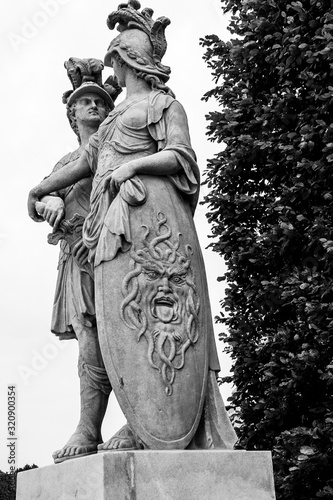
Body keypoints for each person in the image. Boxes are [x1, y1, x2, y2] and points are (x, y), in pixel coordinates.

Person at [28, 2, 237, 451]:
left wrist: (132, 168)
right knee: (120, 325)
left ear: (128, 61)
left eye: (116, 64)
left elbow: (181, 157)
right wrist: (40, 187)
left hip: (150, 228)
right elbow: (85, 161)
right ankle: (126, 422)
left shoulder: (164, 105)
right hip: (107, 234)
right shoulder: (109, 123)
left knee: (154, 321)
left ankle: (151, 426)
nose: (113, 74)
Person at [35, 58, 122, 461]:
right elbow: (38, 201)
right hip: (75, 259)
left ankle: (137, 419)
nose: (93, 107)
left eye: (100, 102)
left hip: (114, 254)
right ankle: (88, 428)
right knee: (89, 343)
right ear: (72, 114)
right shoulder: (64, 163)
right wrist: (49, 198)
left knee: (123, 336)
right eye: (85, 102)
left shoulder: (113, 146)